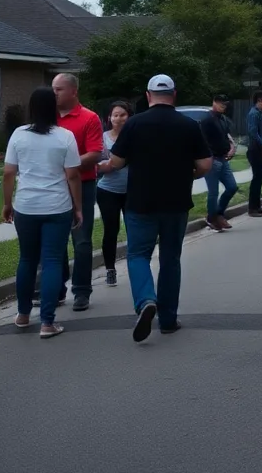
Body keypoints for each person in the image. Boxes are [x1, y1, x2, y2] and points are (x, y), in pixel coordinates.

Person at [107, 74, 211, 342]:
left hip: (140, 202)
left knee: (138, 255)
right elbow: (205, 165)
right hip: (176, 203)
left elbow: (116, 161)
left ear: (148, 95)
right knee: (170, 259)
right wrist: (190, 174)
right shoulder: (189, 125)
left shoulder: (134, 124)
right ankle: (168, 319)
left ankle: (145, 301)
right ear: (174, 95)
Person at [2, 87, 83, 339]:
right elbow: (72, 175)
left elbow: (8, 172)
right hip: (57, 206)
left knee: (27, 259)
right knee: (51, 262)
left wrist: (7, 203)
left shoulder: (18, 134)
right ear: (54, 107)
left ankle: (23, 314)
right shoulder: (65, 136)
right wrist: (78, 206)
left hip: (26, 205)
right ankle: (47, 322)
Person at [51, 73, 103, 312]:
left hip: (83, 184)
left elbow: (94, 154)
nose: (54, 94)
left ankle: (82, 290)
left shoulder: (89, 118)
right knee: (55, 239)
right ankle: (56, 288)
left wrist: (67, 167)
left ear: (73, 91)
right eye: (53, 89)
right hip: (53, 186)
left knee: (81, 239)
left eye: (59, 89)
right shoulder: (47, 119)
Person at [96, 101, 131, 285]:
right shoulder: (103, 138)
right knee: (111, 229)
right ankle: (110, 269)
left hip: (132, 190)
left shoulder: (135, 136)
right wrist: (104, 167)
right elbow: (96, 165)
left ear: (129, 117)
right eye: (115, 115)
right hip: (107, 190)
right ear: (109, 118)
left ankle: (136, 265)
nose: (118, 119)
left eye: (122, 115)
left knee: (134, 228)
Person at [200, 93, 237, 231]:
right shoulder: (207, 120)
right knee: (213, 192)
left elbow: (227, 136)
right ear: (214, 102)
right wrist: (208, 157)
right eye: (221, 103)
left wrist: (232, 147)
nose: (223, 106)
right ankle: (212, 217)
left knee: (232, 187)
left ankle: (219, 213)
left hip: (223, 158)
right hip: (212, 159)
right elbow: (202, 141)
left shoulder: (223, 119)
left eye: (225, 104)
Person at [245, 90, 262, 217]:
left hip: (261, 150)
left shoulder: (260, 114)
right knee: (256, 179)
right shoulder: (254, 114)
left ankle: (257, 206)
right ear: (257, 101)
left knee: (259, 179)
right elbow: (252, 132)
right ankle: (252, 208)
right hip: (255, 150)